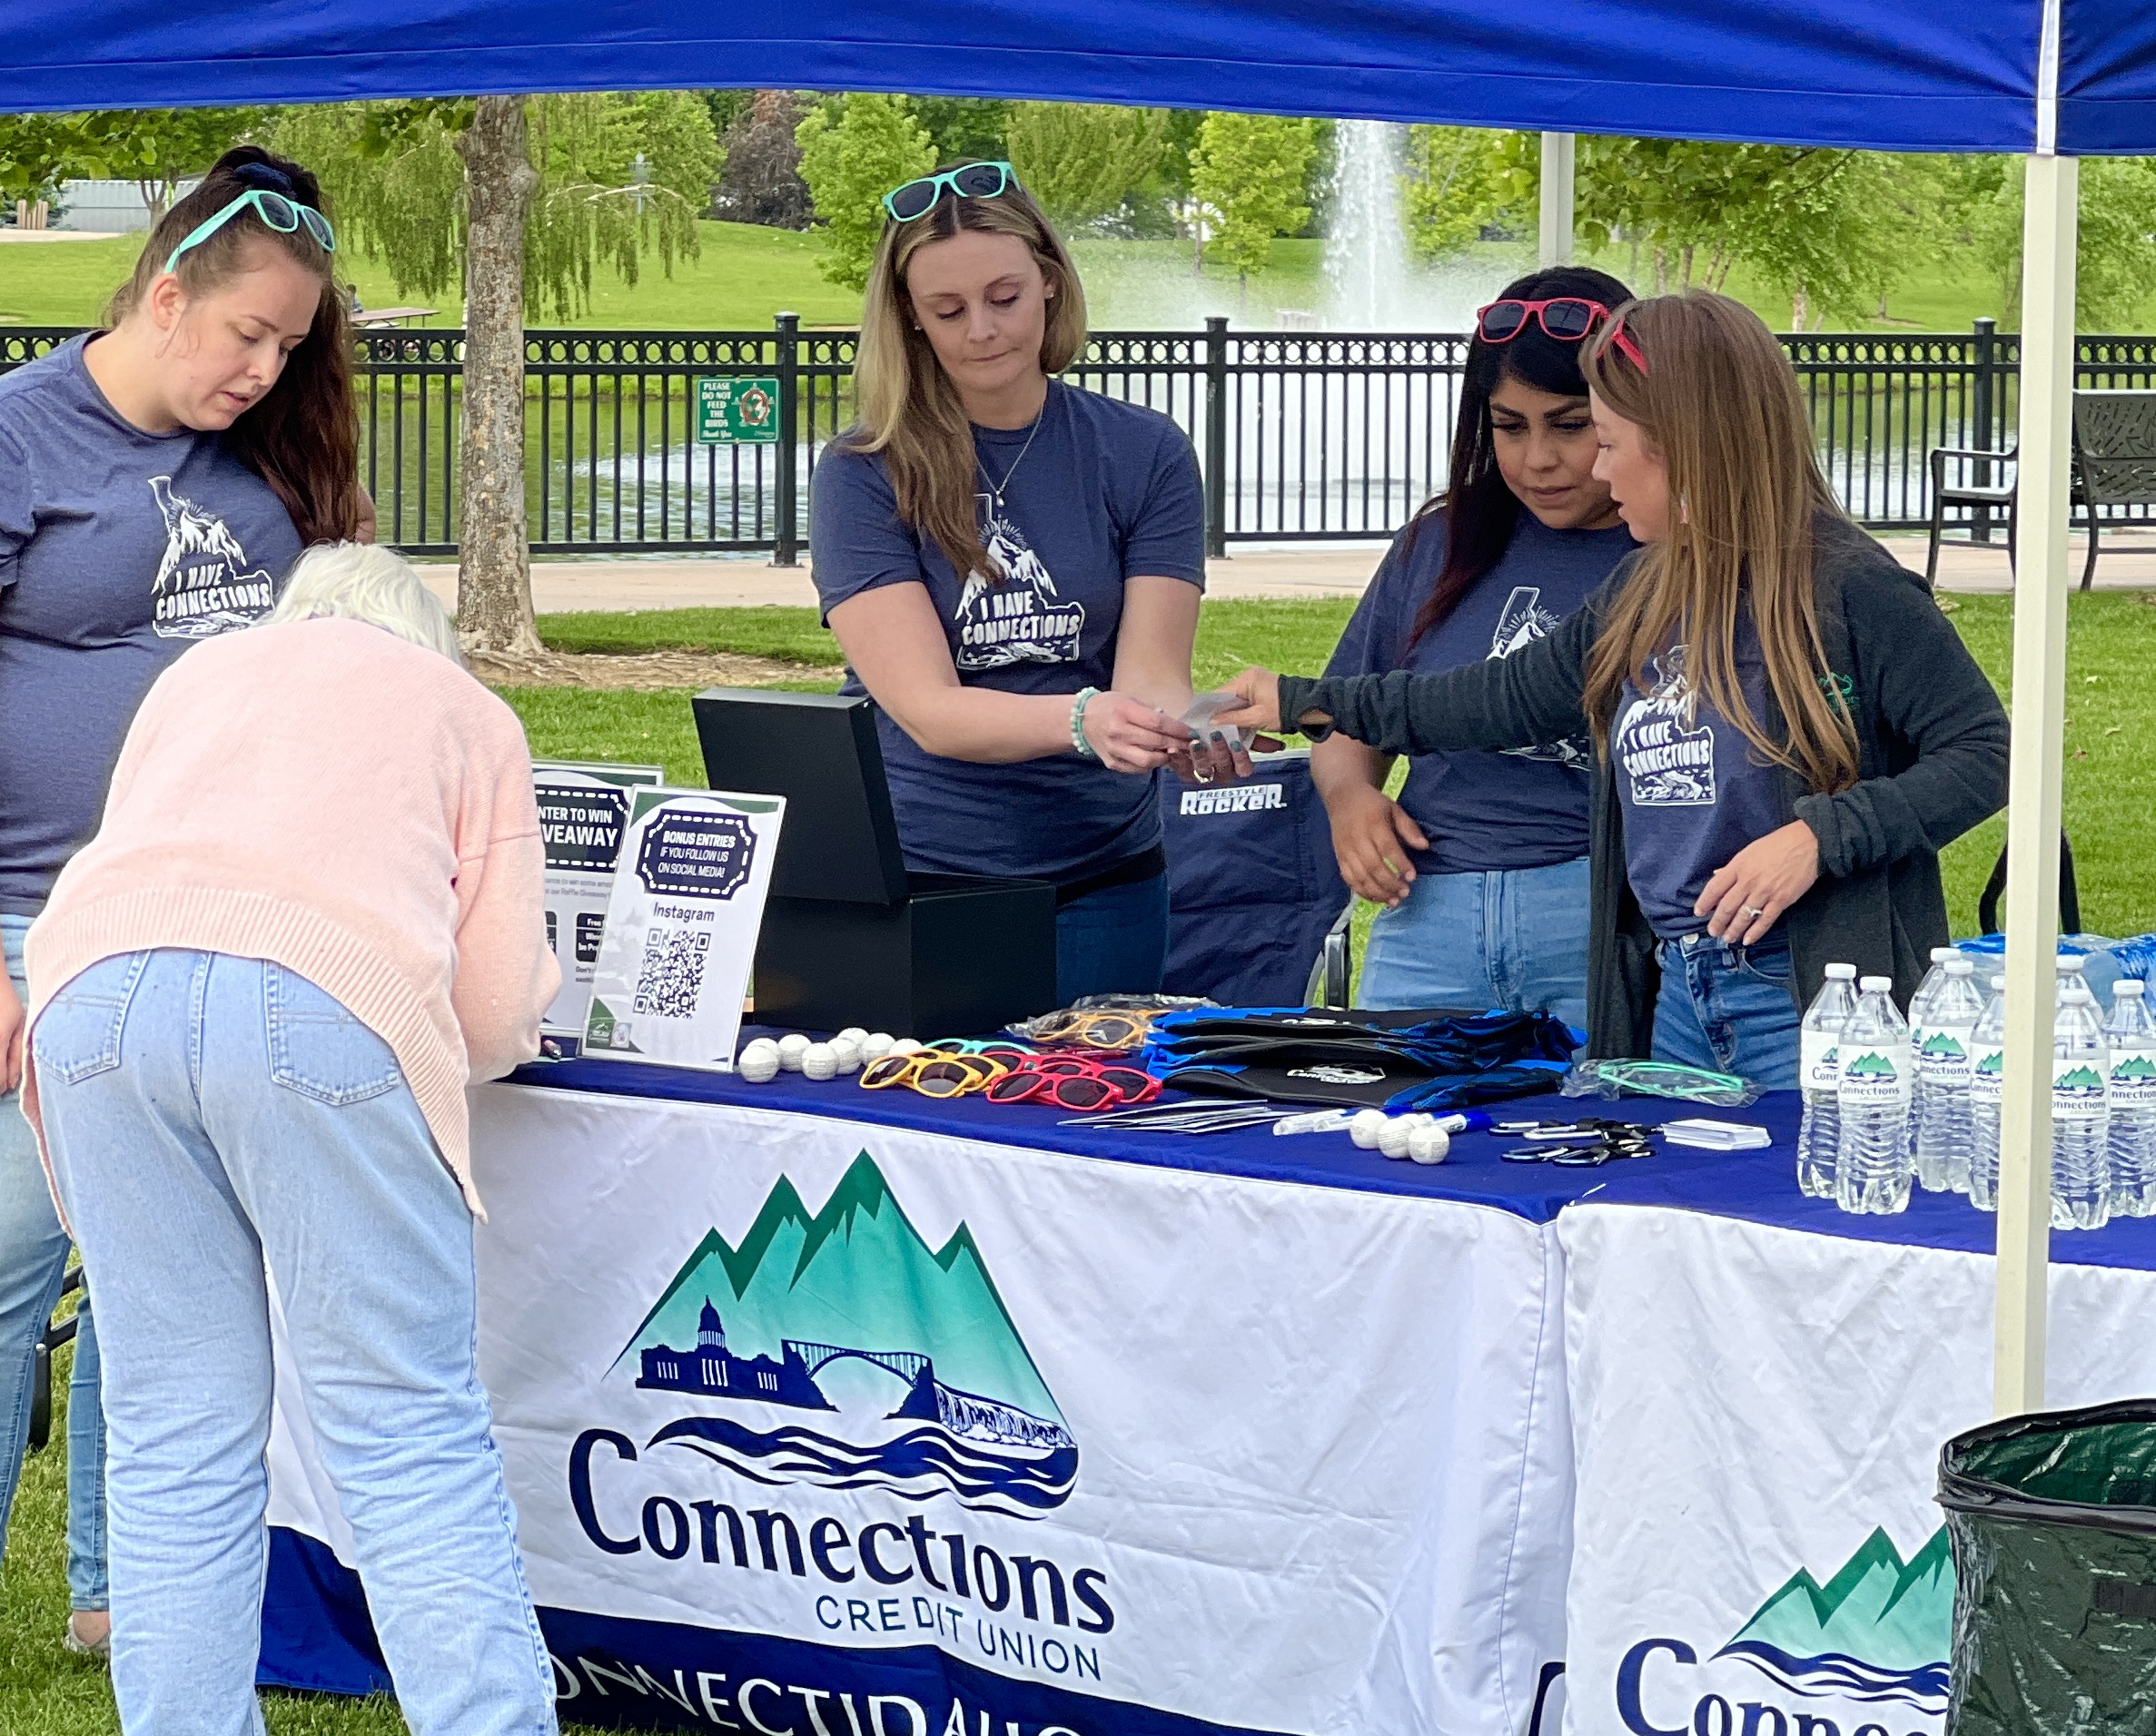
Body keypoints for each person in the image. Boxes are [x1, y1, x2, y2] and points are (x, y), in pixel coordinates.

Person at [0, 149, 362, 1736]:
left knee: (160, 1277)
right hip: (38, 921)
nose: (266, 370)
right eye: (246, 334)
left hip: (223, 920)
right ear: (163, 292)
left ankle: (121, 1596)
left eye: (289, 345)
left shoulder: (269, 456)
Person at [16, 545, 594, 1736]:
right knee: (401, 1411)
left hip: (93, 996)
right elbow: (496, 1004)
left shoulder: (200, 674)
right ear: (423, 635)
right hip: (325, 998)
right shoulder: (464, 713)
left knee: (170, 1422)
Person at [1210, 292, 2008, 1089]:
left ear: (1683, 447)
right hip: (1678, 994)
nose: (1595, 468)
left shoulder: (1850, 587)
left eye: (1610, 442)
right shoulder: (1641, 588)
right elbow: (1496, 699)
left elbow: (1987, 753)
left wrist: (1818, 838)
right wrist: (1305, 700)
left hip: (1805, 995)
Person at [808, 161, 1236, 1001]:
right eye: (947, 310)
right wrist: (1083, 719)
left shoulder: (1145, 451)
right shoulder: (862, 471)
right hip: (921, 880)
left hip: (1108, 877)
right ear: (909, 317)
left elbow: (1151, 676)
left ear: (1049, 282)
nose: (981, 330)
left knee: (1100, 1088)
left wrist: (1187, 732)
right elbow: (928, 711)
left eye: (1004, 297)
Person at [1315, 267, 1637, 1020]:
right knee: (1387, 1099)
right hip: (1428, 916)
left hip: (1602, 918)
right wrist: (1350, 799)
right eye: (1509, 426)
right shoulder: (1440, 541)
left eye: (1570, 425)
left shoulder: (1670, 554)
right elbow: (1346, 716)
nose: (1536, 459)